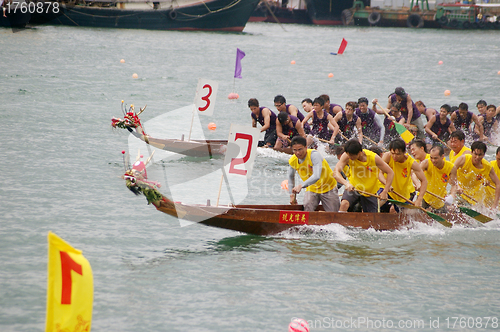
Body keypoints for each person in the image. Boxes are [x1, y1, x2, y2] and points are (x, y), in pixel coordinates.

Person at [333, 139, 394, 213]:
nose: (349, 157)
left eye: (351, 155)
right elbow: (336, 172)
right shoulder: (346, 156)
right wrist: (346, 183)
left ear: (359, 152)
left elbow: (390, 172)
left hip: (370, 191)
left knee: (372, 219)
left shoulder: (373, 158)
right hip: (354, 187)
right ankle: (340, 223)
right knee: (344, 204)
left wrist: (385, 191)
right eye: (348, 154)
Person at [287, 136, 340, 212]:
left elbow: (316, 176)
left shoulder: (314, 155)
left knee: (333, 215)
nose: (297, 153)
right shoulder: (292, 160)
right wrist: (291, 195)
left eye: (300, 149)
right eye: (295, 150)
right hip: (312, 188)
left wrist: (301, 185)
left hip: (328, 187)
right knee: (307, 208)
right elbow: (291, 177)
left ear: (306, 147)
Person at [381, 139, 427, 212]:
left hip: (401, 195)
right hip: (386, 190)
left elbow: (424, 181)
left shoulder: (411, 163)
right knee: (377, 203)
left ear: (404, 152)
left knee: (408, 217)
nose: (394, 156)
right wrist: (387, 186)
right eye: (393, 153)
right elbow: (379, 173)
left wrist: (419, 199)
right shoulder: (387, 156)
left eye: (398, 154)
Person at [454, 141, 500, 208]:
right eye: (475, 154)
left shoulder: (487, 166)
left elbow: (498, 184)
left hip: (474, 200)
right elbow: (450, 172)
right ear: (471, 152)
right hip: (459, 194)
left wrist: (495, 205)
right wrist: (456, 186)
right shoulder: (463, 159)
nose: (477, 157)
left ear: (484, 154)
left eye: (480, 155)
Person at [420, 145, 457, 213]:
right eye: (431, 158)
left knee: (446, 218)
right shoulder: (426, 163)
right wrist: (417, 183)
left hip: (438, 201)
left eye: (436, 158)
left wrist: (451, 196)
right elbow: (414, 174)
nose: (433, 160)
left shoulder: (451, 167)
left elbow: (454, 185)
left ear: (442, 156)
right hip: (424, 197)